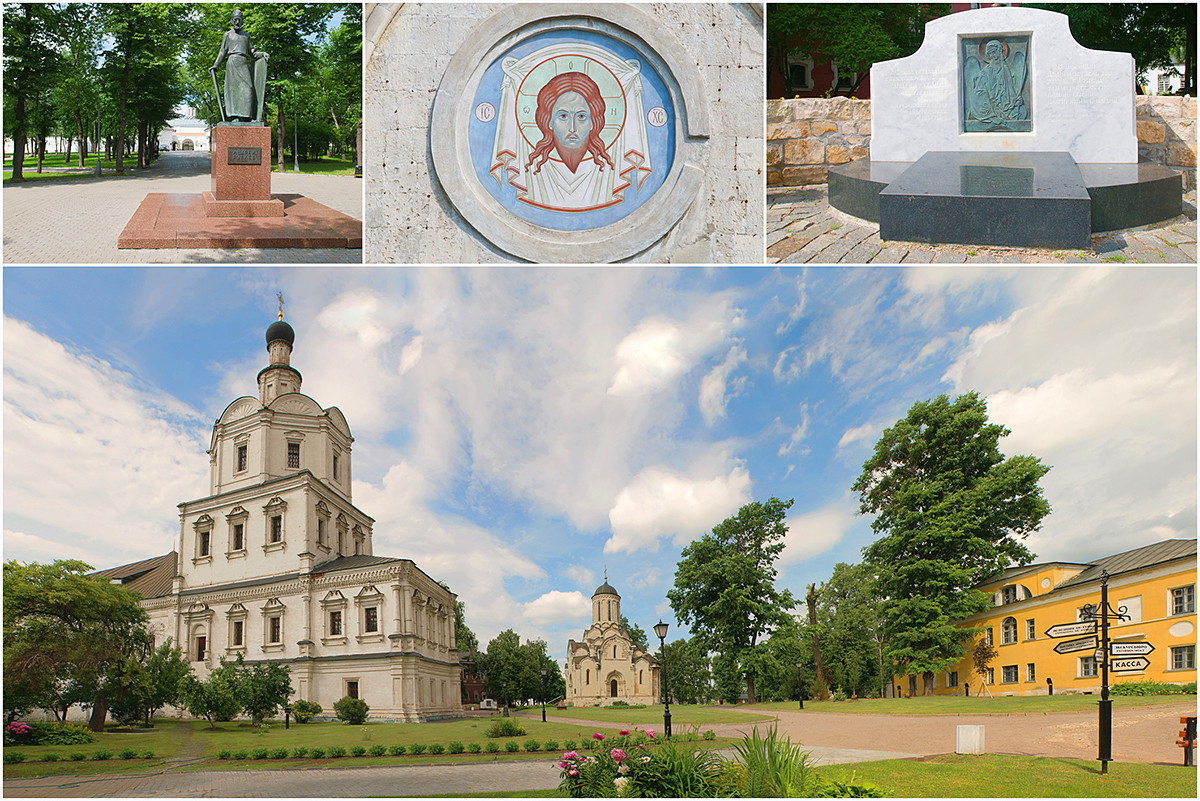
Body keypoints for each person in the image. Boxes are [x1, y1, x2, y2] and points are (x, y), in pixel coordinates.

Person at [525, 72, 615, 176]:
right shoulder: (541, 167)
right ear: (550, 121)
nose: (572, 128)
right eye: (563, 116)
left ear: (592, 123)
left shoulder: (602, 168)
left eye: (581, 117)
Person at [210, 9, 268, 122]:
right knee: (233, 90)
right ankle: (234, 116)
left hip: (243, 62)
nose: (237, 22)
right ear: (232, 21)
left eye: (239, 20)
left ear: (242, 21)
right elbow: (222, 51)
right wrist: (216, 65)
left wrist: (263, 54)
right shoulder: (227, 35)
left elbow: (252, 53)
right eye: (235, 19)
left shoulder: (246, 36)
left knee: (249, 88)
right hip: (232, 63)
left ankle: (247, 116)